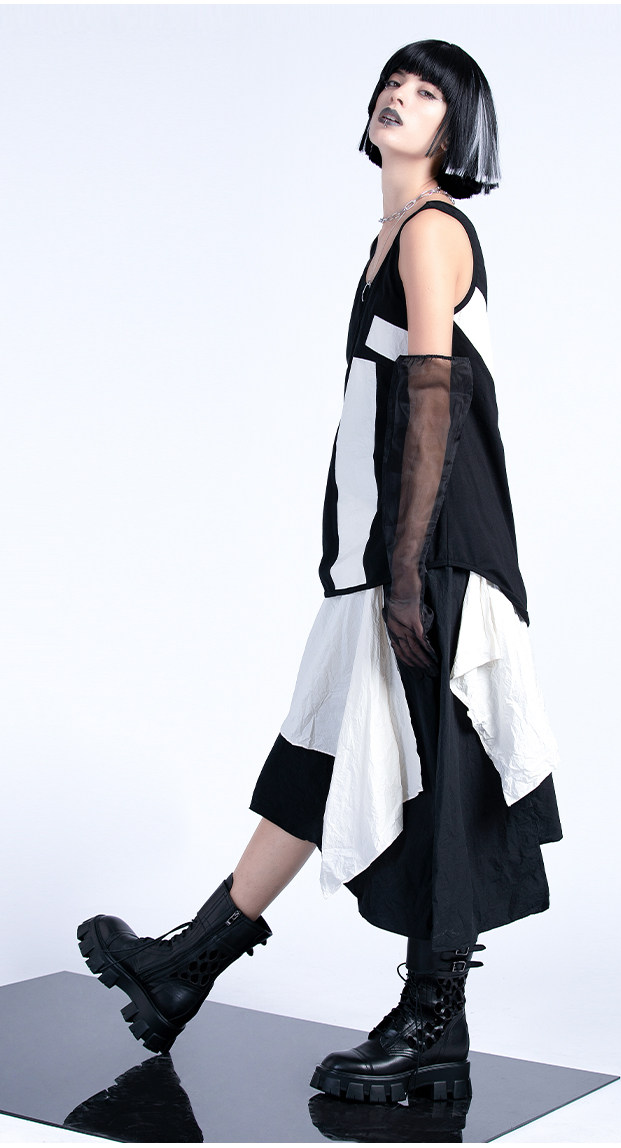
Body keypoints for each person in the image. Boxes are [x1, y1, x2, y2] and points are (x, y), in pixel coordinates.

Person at [77, 39, 562, 1105]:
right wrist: (367, 558)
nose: (400, 97)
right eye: (394, 81)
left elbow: (433, 396)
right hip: (381, 551)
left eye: (427, 92)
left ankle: (435, 1023)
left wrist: (407, 571)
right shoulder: (387, 233)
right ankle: (184, 967)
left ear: (455, 128)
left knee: (441, 776)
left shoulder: (431, 231)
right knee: (317, 751)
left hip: (433, 553)